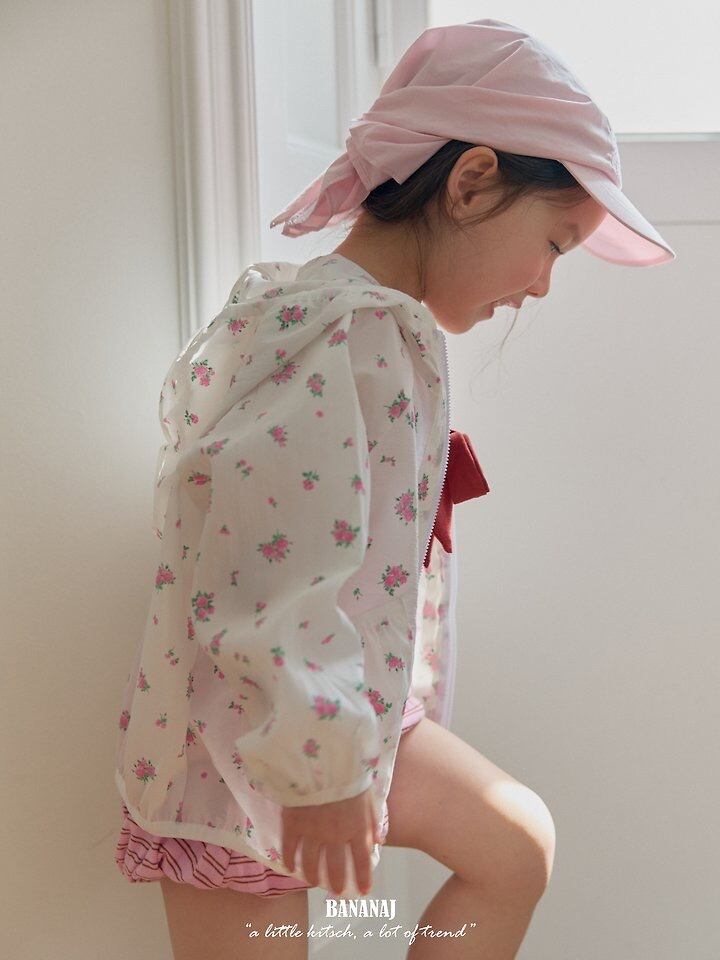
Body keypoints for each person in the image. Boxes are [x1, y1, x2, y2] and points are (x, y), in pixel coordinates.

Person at [113, 19, 675, 960]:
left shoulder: (365, 326)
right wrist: (321, 768)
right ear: (471, 182)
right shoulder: (345, 333)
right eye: (554, 243)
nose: (542, 285)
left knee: (513, 844)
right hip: (248, 741)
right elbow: (269, 568)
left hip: (339, 712)